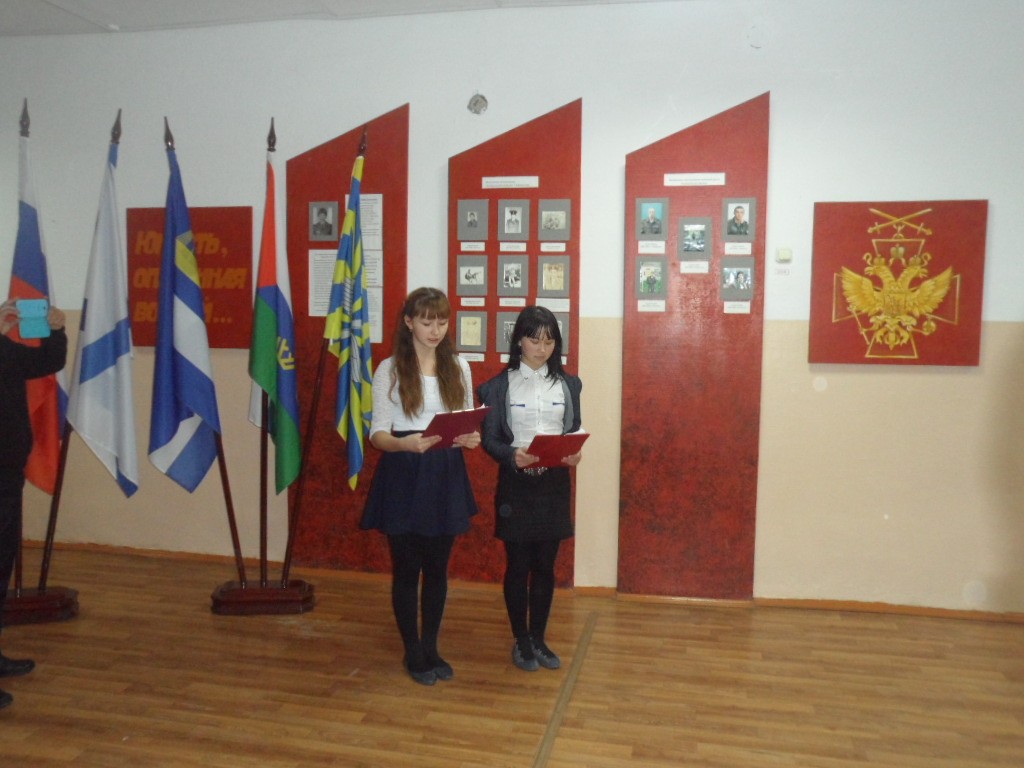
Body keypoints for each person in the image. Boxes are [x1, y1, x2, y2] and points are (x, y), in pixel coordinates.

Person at [360, 287, 481, 686]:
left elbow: (465, 420)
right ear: (409, 322)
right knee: (407, 568)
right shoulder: (390, 369)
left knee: (438, 568)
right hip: (405, 469)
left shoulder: (459, 367)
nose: (435, 330)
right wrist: (405, 444)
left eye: (442, 322)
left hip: (445, 470)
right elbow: (378, 433)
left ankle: (431, 646)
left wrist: (470, 438)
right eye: (427, 322)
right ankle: (413, 650)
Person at [477, 306, 582, 672]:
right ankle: (521, 640)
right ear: (519, 340)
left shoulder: (569, 384)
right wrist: (512, 455)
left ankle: (538, 637)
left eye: (549, 341)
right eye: (535, 340)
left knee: (545, 566)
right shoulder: (497, 386)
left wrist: (574, 453)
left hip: (554, 483)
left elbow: (573, 428)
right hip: (517, 485)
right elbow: (490, 440)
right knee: (519, 565)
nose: (542, 349)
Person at [0, 299, 67, 711]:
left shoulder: (5, 348)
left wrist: (56, 331)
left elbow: (45, 363)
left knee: (2, 567)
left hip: (8, 472)